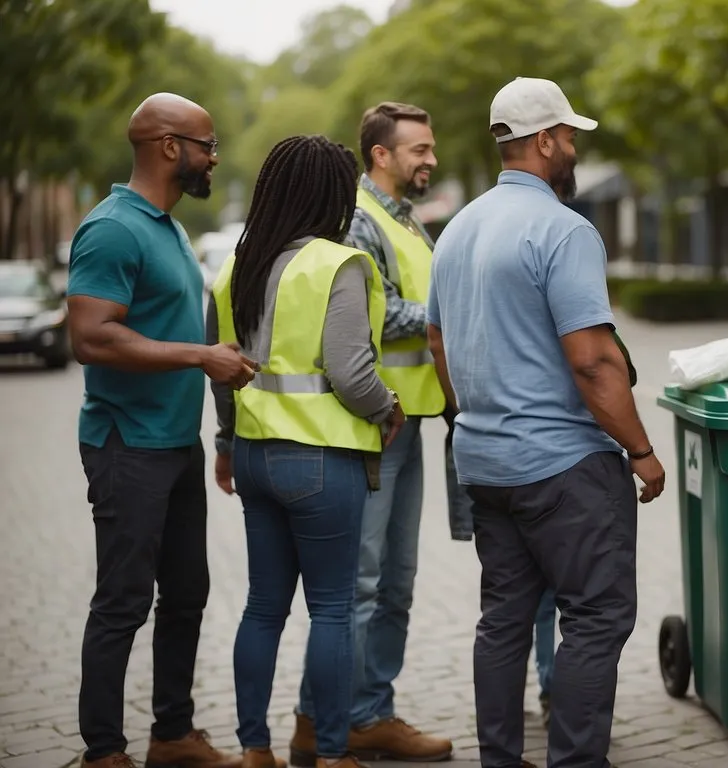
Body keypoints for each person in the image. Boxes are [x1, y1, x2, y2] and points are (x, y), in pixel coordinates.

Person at [426, 76, 666, 768]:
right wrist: (642, 452)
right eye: (568, 138)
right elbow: (592, 361)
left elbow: (439, 343)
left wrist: (472, 413)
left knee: (502, 623)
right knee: (596, 619)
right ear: (543, 141)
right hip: (565, 469)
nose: (572, 151)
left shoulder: (457, 230)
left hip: (486, 463)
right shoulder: (564, 230)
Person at [66, 92, 254, 768]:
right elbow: (90, 336)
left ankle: (172, 734)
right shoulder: (114, 227)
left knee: (187, 595)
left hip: (175, 444)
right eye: (207, 144)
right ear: (170, 146)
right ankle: (103, 751)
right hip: (126, 445)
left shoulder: (168, 227)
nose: (214, 157)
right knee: (122, 601)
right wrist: (201, 358)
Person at [208, 134, 406, 768]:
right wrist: (388, 408)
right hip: (320, 461)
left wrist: (225, 442)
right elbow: (350, 373)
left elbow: (223, 371)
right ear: (331, 194)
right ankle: (328, 754)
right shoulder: (335, 265)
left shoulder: (235, 267)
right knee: (331, 609)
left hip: (254, 455)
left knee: (262, 607)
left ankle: (253, 751)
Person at [289, 101, 453, 766]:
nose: (430, 158)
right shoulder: (359, 219)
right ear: (381, 154)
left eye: (431, 146)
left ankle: (368, 713)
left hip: (409, 418)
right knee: (359, 582)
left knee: (396, 582)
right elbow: (376, 318)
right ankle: (325, 720)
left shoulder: (405, 219)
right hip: (374, 422)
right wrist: (454, 308)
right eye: (418, 148)